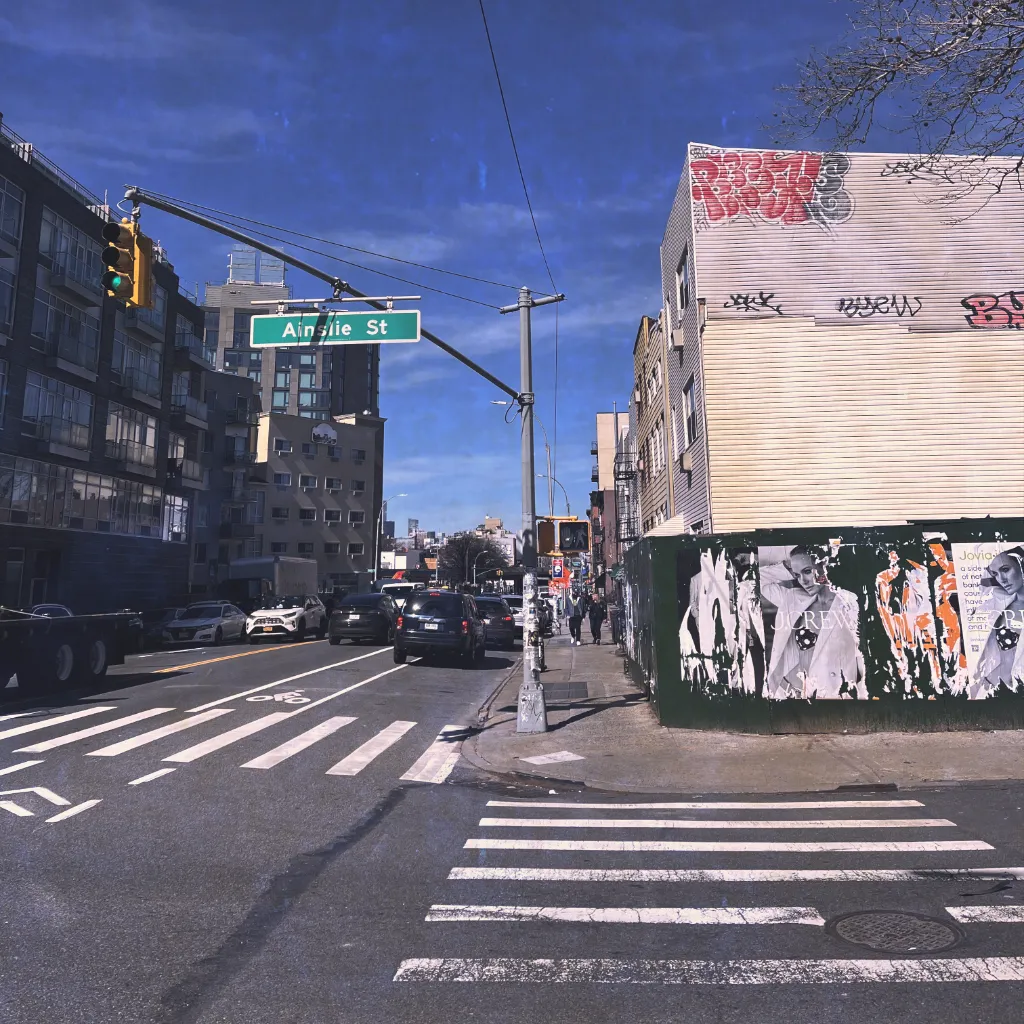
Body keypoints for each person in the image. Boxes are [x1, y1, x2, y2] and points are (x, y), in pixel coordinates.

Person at [759, 545, 864, 699]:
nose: (803, 581)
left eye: (807, 571)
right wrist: (789, 566)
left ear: (824, 565)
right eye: (797, 575)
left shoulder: (850, 603)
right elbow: (759, 580)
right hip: (791, 695)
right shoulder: (792, 598)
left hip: (834, 698)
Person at [974, 546, 1024, 698]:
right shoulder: (997, 604)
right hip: (995, 689)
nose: (1001, 580)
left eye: (1005, 569)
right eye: (995, 574)